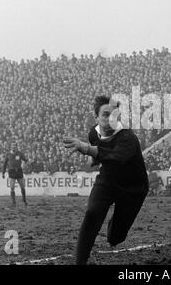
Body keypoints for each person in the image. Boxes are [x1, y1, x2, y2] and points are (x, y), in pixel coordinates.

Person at [63, 95, 149, 265]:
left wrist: (87, 149)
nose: (111, 119)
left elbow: (116, 157)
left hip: (132, 189)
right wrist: (92, 159)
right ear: (96, 117)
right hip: (108, 181)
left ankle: (114, 228)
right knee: (92, 213)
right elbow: (100, 155)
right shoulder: (93, 134)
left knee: (115, 238)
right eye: (105, 115)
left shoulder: (128, 137)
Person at [2, 142, 28, 207]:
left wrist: (25, 165)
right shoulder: (8, 154)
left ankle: (24, 200)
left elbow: (25, 160)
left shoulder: (19, 153)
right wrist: (3, 172)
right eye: (12, 146)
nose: (13, 147)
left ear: (16, 146)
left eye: (15, 146)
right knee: (12, 187)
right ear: (11, 146)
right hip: (11, 171)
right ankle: (13, 202)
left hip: (19, 171)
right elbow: (4, 164)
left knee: (22, 186)